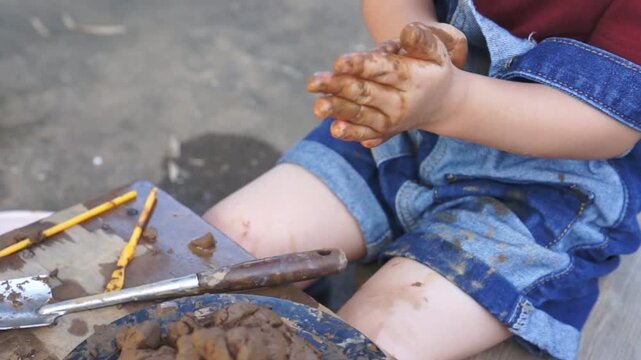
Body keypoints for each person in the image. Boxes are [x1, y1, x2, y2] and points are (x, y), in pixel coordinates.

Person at [204, 0, 641, 359]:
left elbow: (611, 126)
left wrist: (452, 102)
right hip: (405, 132)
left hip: (550, 186)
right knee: (219, 252)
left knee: (371, 340)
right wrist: (415, 48)